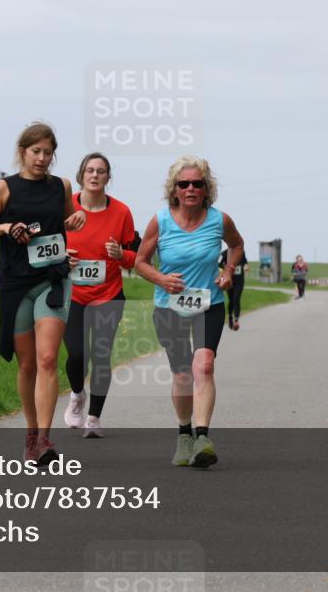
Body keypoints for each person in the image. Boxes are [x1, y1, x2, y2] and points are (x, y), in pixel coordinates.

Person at [0, 122, 86, 465]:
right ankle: (31, 433)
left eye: (47, 152)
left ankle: (45, 441)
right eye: (35, 151)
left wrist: (76, 219)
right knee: (27, 365)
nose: (41, 158)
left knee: (48, 358)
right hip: (15, 283)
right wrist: (6, 227)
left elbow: (69, 220)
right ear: (22, 151)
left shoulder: (61, 186)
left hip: (52, 280)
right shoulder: (2, 188)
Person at [134, 155, 244, 469]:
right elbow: (140, 261)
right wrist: (160, 278)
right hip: (169, 306)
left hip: (208, 303)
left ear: (206, 188)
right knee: (182, 373)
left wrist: (229, 270)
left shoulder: (219, 220)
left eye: (198, 183)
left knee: (204, 364)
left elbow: (237, 245)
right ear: (175, 190)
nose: (191, 188)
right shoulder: (161, 220)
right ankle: (184, 433)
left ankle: (202, 437)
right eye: (185, 184)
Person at [63, 153, 136, 438]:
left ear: (108, 177)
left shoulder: (121, 212)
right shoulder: (65, 209)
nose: (95, 175)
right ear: (81, 175)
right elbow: (49, 245)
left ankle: (94, 418)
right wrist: (61, 258)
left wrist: (122, 255)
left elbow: (135, 257)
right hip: (73, 295)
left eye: (101, 171)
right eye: (90, 170)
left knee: (101, 355)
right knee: (77, 354)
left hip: (109, 294)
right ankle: (77, 394)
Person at [218, 247, 248, 331]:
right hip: (229, 280)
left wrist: (246, 267)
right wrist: (224, 271)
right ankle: (230, 317)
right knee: (231, 300)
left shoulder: (241, 252)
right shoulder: (224, 253)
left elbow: (245, 263)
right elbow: (219, 264)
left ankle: (236, 320)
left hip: (239, 280)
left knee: (236, 298)